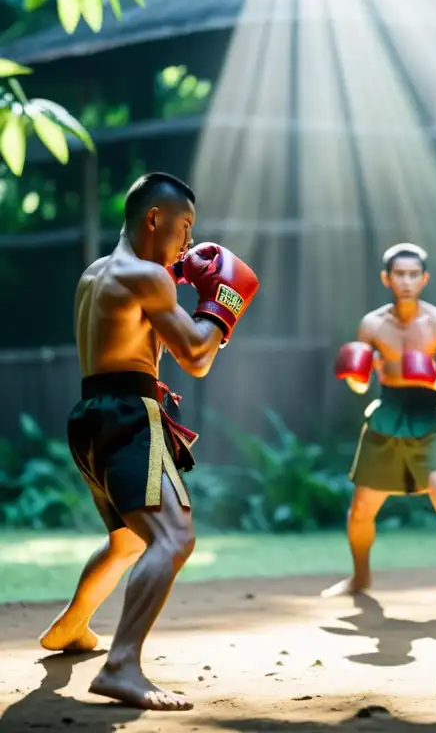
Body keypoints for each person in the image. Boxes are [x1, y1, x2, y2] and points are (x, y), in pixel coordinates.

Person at [38, 172, 260, 711]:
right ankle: (121, 666)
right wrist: (224, 300)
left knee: (129, 539)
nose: (188, 242)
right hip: (131, 415)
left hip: (89, 414)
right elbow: (196, 357)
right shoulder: (148, 278)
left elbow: (133, 335)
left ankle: (70, 627)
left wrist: (178, 277)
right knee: (174, 538)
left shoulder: (95, 274)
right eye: (185, 227)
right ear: (153, 219)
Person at [321, 243, 436, 605]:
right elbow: (361, 383)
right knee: (362, 507)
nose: (406, 281)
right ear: (386, 278)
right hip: (388, 412)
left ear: (424, 279)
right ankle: (360, 577)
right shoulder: (373, 324)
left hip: (432, 414)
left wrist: (434, 378)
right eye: (399, 274)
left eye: (413, 275)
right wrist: (356, 375)